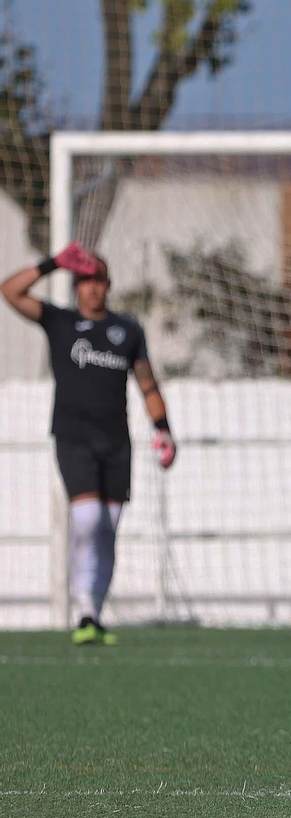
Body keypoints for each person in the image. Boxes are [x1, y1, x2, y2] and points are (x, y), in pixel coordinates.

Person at [2, 243, 176, 645]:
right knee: (86, 520)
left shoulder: (128, 330)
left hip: (117, 443)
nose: (92, 288)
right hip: (73, 439)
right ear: (76, 285)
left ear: (108, 285)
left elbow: (147, 384)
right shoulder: (59, 322)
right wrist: (52, 264)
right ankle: (82, 610)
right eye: (84, 280)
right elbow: (9, 291)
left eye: (98, 280)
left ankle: (93, 616)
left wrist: (163, 429)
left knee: (108, 529)